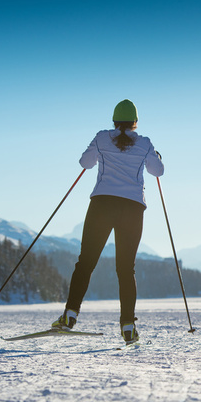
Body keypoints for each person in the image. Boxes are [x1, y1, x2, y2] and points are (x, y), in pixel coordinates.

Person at [51, 99, 164, 344]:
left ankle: (70, 315)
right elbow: (158, 171)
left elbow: (85, 163)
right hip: (132, 209)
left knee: (86, 262)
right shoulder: (144, 143)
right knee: (126, 269)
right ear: (135, 122)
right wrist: (154, 155)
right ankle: (127, 327)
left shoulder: (102, 138)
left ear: (114, 120)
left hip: (102, 205)